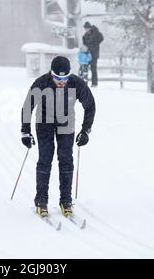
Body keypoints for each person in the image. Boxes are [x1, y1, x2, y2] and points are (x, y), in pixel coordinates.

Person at [21, 56, 96, 217]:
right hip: (44, 123)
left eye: (65, 78)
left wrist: (85, 131)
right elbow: (28, 106)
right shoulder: (41, 83)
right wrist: (25, 132)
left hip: (66, 123)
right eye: (57, 78)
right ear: (51, 74)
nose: (61, 82)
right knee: (45, 160)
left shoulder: (77, 84)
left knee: (66, 160)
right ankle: (41, 200)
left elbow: (90, 106)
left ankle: (66, 200)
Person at [82, 22, 104, 87]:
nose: (86, 30)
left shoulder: (96, 33)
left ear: (90, 28)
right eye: (85, 28)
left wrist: (94, 45)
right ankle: (84, 83)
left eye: (87, 28)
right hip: (87, 54)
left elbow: (101, 38)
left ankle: (94, 83)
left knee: (93, 69)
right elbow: (84, 44)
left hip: (94, 54)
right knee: (85, 68)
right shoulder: (85, 35)